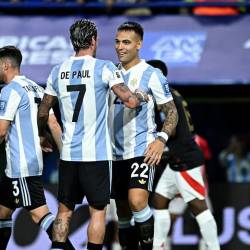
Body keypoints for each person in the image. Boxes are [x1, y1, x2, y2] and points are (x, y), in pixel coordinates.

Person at [37, 19, 148, 250]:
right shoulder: (104, 67)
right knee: (98, 212)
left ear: (72, 42)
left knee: (64, 211)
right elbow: (128, 101)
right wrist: (141, 96)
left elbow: (43, 111)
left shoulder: (57, 71)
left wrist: (42, 135)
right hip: (96, 156)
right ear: (94, 40)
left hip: (68, 156)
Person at [109, 22, 178, 250]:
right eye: (118, 42)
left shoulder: (152, 74)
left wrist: (161, 140)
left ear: (139, 45)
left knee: (137, 201)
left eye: (126, 42)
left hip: (141, 149)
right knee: (123, 213)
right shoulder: (109, 71)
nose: (120, 47)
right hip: (113, 153)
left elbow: (171, 112)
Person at [0, 46, 74, 250]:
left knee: (39, 214)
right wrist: (64, 156)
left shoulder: (9, 91)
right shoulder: (37, 88)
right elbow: (53, 124)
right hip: (22, 167)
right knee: (2, 212)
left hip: (20, 167)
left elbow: (1, 131)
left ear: (5, 65)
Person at [147, 59, 220, 250]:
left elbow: (171, 128)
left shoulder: (164, 96)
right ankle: (158, 247)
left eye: (147, 73)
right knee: (160, 199)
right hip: (176, 159)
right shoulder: (171, 92)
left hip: (185, 158)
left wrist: (155, 142)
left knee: (198, 206)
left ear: (156, 76)